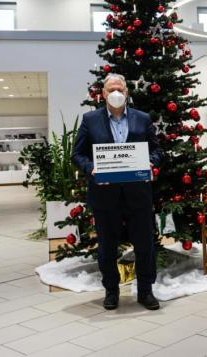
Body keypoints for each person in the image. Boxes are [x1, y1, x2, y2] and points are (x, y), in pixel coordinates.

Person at [72, 74, 163, 310]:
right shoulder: (90, 120)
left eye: (120, 89)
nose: (116, 93)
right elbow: (77, 154)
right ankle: (111, 291)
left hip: (138, 194)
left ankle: (146, 292)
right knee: (107, 247)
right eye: (111, 89)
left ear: (127, 93)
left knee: (144, 246)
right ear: (103, 94)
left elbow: (157, 150)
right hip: (104, 195)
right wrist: (91, 169)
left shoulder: (142, 119)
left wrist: (151, 162)